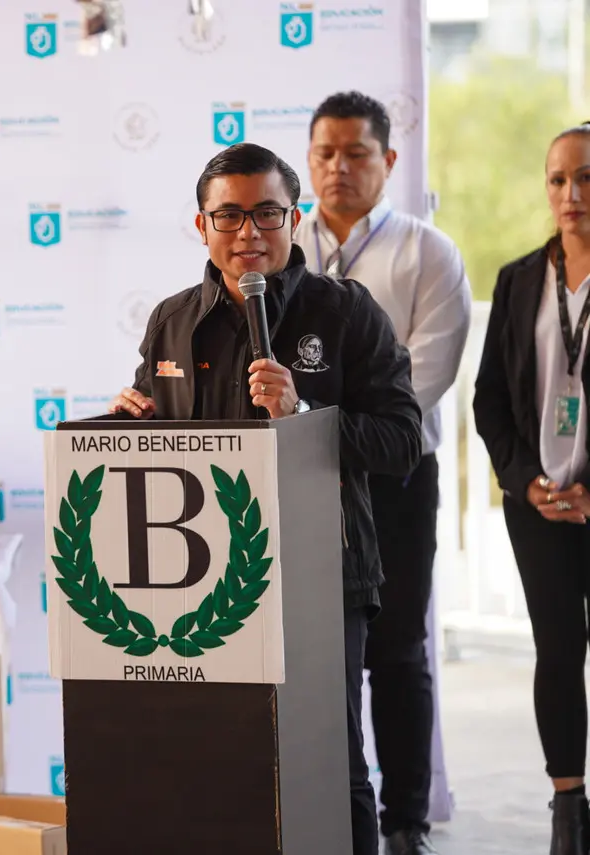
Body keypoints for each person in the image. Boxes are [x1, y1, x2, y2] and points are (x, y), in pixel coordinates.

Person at [110, 142, 422, 855]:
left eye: (267, 213)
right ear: (201, 225)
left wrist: (305, 412)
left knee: (329, 761)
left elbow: (403, 440)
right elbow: (162, 436)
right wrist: (132, 422)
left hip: (321, 575)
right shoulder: (171, 320)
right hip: (200, 583)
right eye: (230, 216)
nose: (249, 232)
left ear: (294, 216)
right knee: (217, 763)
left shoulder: (345, 312)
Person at [301, 91, 472, 855]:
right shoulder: (278, 245)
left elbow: (418, 381)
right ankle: (319, 807)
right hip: (296, 483)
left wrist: (326, 430)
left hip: (397, 479)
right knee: (310, 650)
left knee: (396, 647)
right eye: (326, 153)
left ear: (389, 161)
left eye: (357, 153)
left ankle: (404, 821)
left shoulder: (427, 251)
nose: (340, 168)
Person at [473, 120, 590, 855]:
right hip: (539, 502)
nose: (571, 193)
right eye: (557, 179)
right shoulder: (519, 279)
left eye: (586, 177)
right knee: (557, 646)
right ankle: (568, 810)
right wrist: (525, 481)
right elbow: (489, 399)